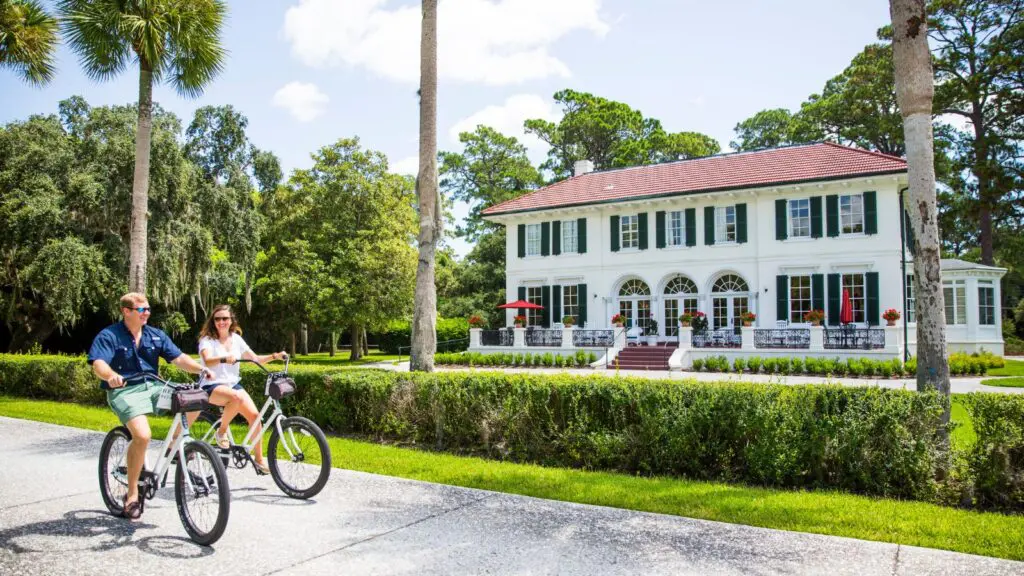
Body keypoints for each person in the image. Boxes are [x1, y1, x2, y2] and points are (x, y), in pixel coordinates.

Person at [88, 292, 213, 521]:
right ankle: (133, 494)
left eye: (148, 309)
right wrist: (112, 375)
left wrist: (200, 369)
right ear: (126, 311)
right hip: (124, 390)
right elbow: (99, 363)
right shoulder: (110, 335)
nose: (147, 313)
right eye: (142, 310)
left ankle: (174, 447)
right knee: (143, 436)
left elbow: (178, 358)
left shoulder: (155, 335)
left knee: (195, 398)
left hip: (154, 387)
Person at [198, 304, 286, 475]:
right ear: (212, 321)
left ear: (231, 320)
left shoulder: (236, 339)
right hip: (211, 385)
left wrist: (275, 356)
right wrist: (224, 358)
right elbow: (207, 360)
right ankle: (221, 432)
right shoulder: (207, 340)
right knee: (236, 398)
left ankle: (259, 461)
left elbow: (254, 359)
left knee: (255, 418)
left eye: (225, 318)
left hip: (233, 385)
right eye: (217, 319)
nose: (221, 322)